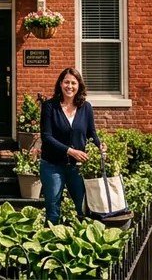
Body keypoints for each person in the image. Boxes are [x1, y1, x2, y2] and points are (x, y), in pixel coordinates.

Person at [40, 67, 104, 225]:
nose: (70, 86)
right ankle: (51, 244)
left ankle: (83, 244)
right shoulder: (50, 106)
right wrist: (70, 151)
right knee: (53, 209)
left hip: (77, 167)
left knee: (83, 207)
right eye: (66, 82)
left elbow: (91, 133)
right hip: (52, 165)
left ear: (79, 86)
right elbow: (46, 137)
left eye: (73, 83)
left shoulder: (86, 107)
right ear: (60, 84)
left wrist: (100, 146)